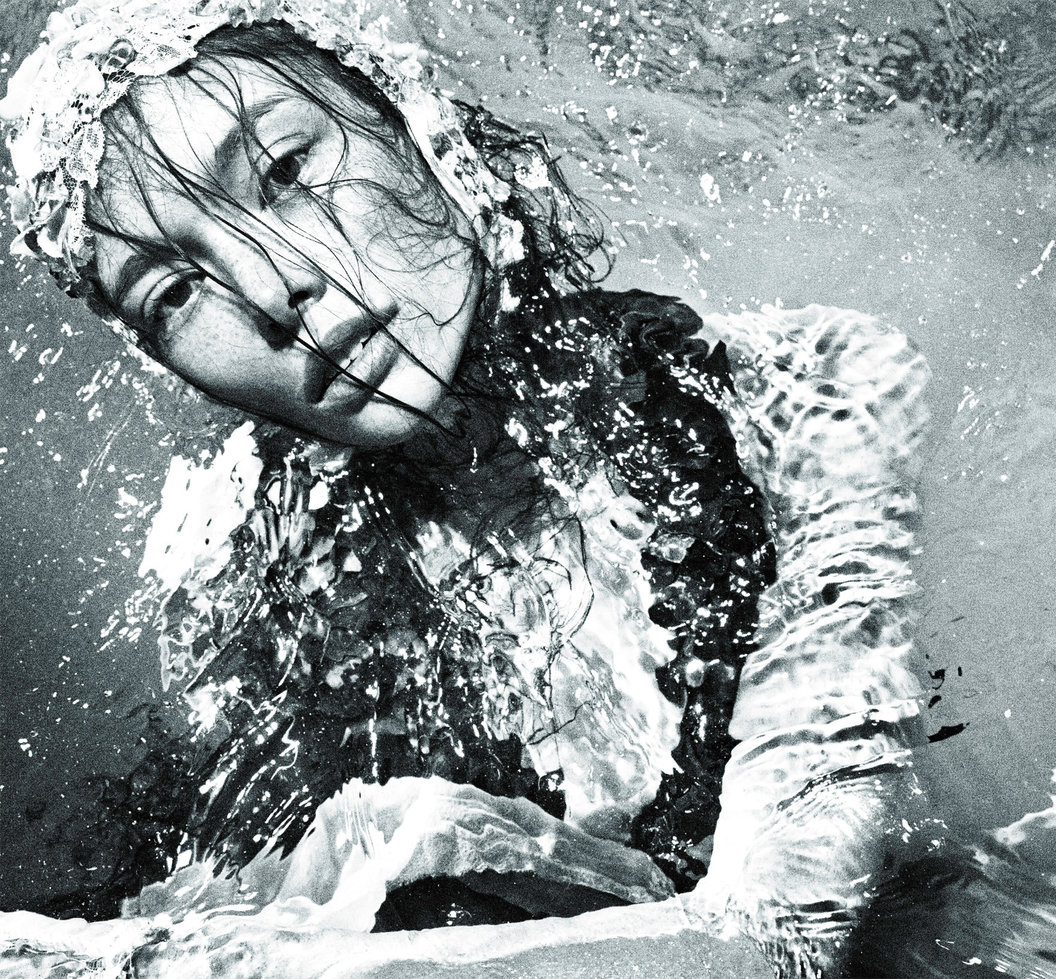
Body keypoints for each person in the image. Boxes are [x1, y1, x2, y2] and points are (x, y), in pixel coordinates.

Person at [0, 0, 934, 976]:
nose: (271, 289)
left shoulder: (809, 396)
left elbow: (782, 938)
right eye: (176, 293)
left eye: (284, 170)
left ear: (409, 120)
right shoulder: (260, 627)